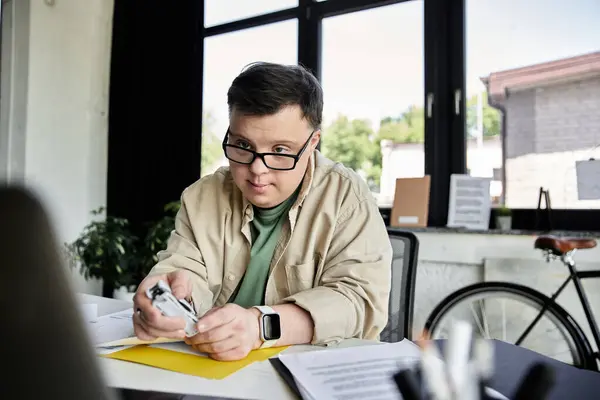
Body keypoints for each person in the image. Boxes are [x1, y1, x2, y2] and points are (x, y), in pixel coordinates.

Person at [133, 62, 392, 361]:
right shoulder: (203, 195)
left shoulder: (347, 197)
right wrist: (164, 296)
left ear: (313, 144)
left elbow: (359, 302)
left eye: (280, 150)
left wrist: (260, 326)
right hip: (210, 369)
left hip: (309, 370)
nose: (257, 170)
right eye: (243, 145)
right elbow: (183, 268)